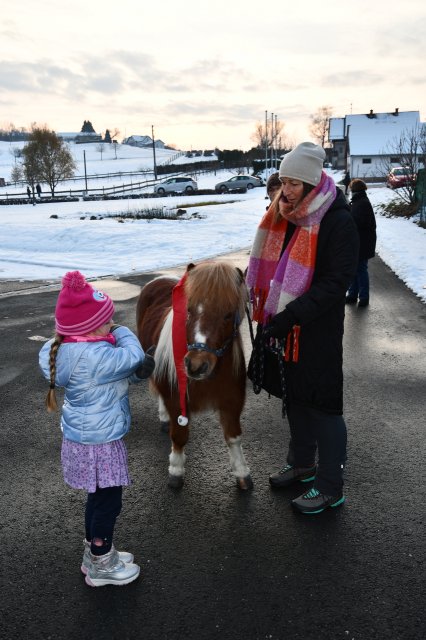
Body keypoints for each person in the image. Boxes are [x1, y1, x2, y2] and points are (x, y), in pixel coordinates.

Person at [246, 142, 359, 515]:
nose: (286, 190)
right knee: (295, 398)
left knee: (323, 405)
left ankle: (329, 486)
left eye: (295, 183)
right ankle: (302, 464)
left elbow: (335, 282)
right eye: (284, 182)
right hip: (284, 327)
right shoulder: (284, 216)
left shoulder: (337, 220)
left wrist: (291, 315)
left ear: (313, 184)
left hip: (316, 329)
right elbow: (273, 267)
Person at [39, 271, 155, 586]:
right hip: (100, 441)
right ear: (89, 329)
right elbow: (131, 355)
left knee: (97, 497)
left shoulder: (71, 350)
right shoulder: (97, 354)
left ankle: (93, 552)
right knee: (108, 501)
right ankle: (101, 565)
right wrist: (122, 330)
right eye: (106, 321)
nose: (111, 325)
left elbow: (114, 374)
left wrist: (135, 374)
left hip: (84, 439)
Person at [346, 179, 377, 308]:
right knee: (356, 269)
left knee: (360, 269)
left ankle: (363, 297)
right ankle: (353, 294)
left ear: (354, 190)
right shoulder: (360, 201)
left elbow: (357, 223)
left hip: (362, 243)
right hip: (362, 242)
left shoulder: (361, 203)